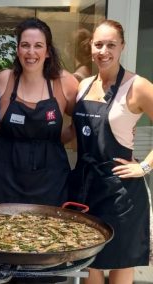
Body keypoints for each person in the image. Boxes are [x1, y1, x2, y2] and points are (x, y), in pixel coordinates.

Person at [70, 19, 152, 284]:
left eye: (111, 45)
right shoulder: (82, 86)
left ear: (122, 47)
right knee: (90, 264)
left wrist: (144, 167)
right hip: (86, 188)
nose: (103, 51)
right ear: (91, 47)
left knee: (120, 263)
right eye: (98, 44)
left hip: (121, 193)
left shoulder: (137, 86)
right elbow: (74, 135)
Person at [0, 18, 78, 206]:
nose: (31, 52)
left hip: (51, 179)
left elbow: (83, 123)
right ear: (18, 49)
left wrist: (52, 141)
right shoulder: (4, 80)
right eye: (25, 45)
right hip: (4, 177)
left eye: (38, 46)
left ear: (48, 51)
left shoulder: (65, 83)